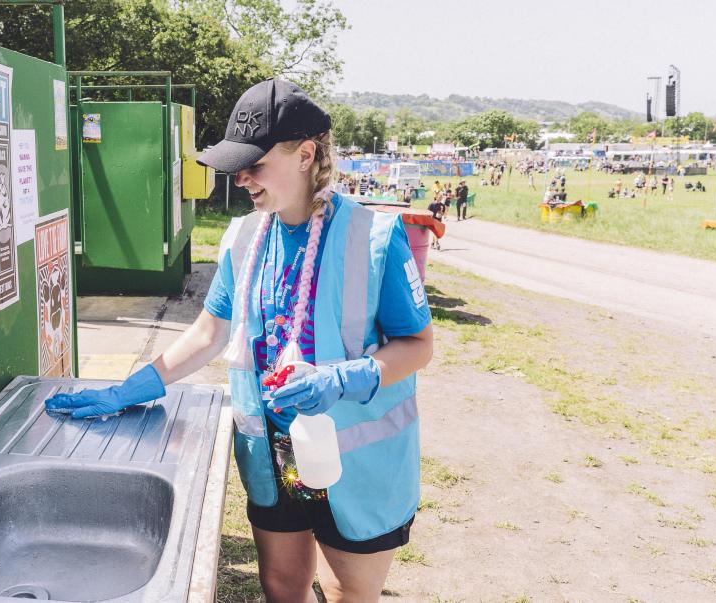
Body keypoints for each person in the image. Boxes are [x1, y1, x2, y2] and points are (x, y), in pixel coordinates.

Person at [44, 79, 434, 603]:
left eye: (255, 163)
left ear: (305, 154)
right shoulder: (245, 237)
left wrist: (349, 376)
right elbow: (208, 333)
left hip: (354, 460)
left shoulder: (375, 238)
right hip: (275, 455)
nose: (242, 178)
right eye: (238, 164)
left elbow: (418, 345)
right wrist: (131, 387)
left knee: (347, 594)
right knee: (280, 585)